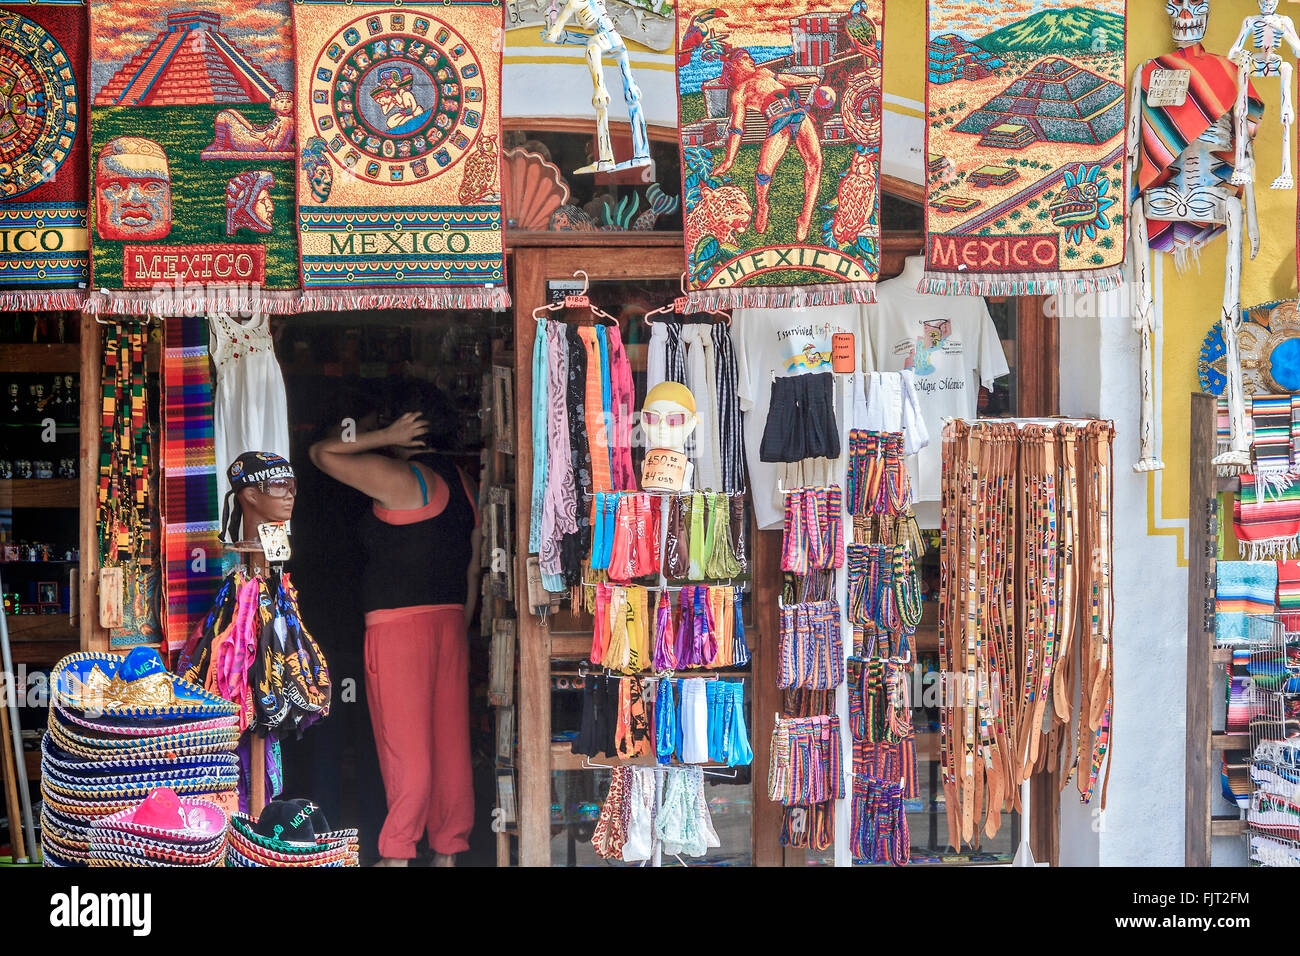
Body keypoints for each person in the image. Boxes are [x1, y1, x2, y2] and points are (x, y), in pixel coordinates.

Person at [309, 408, 480, 867]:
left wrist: (384, 434)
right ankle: (448, 850)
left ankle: (398, 854)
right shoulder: (466, 486)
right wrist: (458, 629)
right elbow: (472, 569)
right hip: (451, 622)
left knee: (405, 748)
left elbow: (322, 454)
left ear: (411, 426)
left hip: (400, 629)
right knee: (450, 747)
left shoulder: (407, 480)